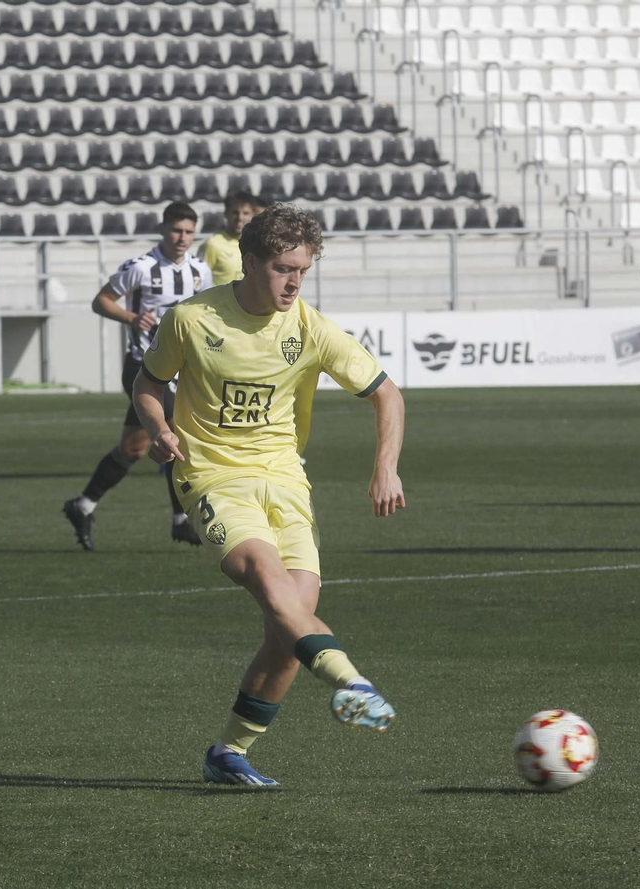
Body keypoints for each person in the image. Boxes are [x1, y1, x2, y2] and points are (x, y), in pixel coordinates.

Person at [132, 204, 407, 787]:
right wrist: (158, 427)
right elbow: (150, 382)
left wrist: (387, 468)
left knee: (291, 627)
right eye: (283, 269)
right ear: (249, 261)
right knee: (267, 576)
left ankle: (227, 752)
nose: (293, 282)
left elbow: (387, 394)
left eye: (303, 271)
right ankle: (352, 683)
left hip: (285, 478)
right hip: (210, 475)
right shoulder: (190, 319)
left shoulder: (310, 328)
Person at [62, 202, 214, 551]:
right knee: (177, 435)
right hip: (143, 368)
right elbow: (101, 301)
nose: (182, 238)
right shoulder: (141, 268)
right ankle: (181, 521)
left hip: (180, 368)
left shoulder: (199, 271)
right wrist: (131, 317)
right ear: (163, 229)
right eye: (177, 230)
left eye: (189, 232)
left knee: (133, 448)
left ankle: (83, 505)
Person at [198, 192, 268, 286]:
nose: (240, 218)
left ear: (253, 215)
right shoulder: (212, 244)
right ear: (226, 214)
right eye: (235, 213)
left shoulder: (258, 244)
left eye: (245, 213)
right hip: (219, 300)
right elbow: (198, 281)